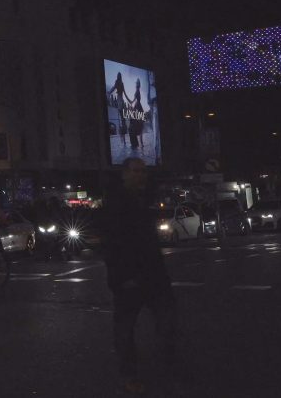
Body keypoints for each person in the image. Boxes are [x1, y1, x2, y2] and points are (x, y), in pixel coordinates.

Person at [101, 158, 177, 394]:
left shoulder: (142, 201)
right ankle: (131, 374)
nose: (141, 175)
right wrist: (122, 277)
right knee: (126, 330)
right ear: (124, 174)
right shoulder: (116, 204)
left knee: (166, 323)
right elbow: (112, 245)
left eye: (143, 171)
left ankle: (165, 366)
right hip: (130, 278)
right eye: (135, 171)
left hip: (151, 275)